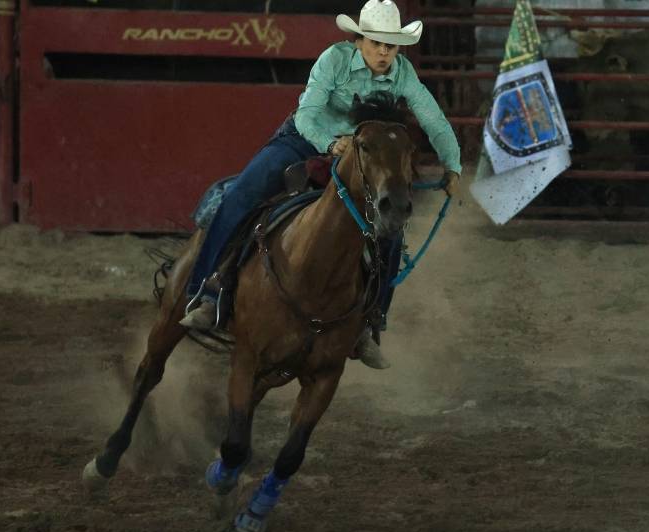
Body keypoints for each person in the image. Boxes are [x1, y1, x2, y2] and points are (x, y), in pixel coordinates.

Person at [179, 0, 461, 370]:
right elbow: (308, 114)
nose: (383, 52)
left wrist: (452, 166)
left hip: (358, 155)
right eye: (376, 43)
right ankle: (206, 292)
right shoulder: (333, 59)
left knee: (390, 228)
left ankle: (370, 322)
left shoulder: (402, 72)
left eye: (390, 45)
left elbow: (434, 120)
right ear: (359, 41)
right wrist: (330, 144)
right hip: (304, 139)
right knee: (243, 195)